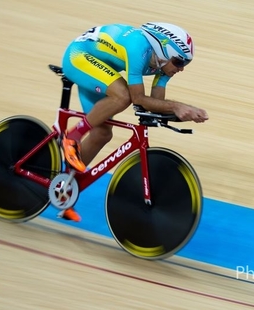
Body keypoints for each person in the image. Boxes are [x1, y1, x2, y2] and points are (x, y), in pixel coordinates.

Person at [58, 22, 209, 222]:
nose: (181, 69)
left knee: (102, 133)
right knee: (123, 96)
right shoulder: (139, 47)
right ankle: (73, 136)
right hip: (78, 57)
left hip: (99, 68)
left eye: (185, 64)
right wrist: (176, 106)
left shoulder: (165, 66)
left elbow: (155, 104)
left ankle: (63, 189)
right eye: (180, 62)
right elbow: (137, 99)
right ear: (164, 50)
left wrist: (184, 112)